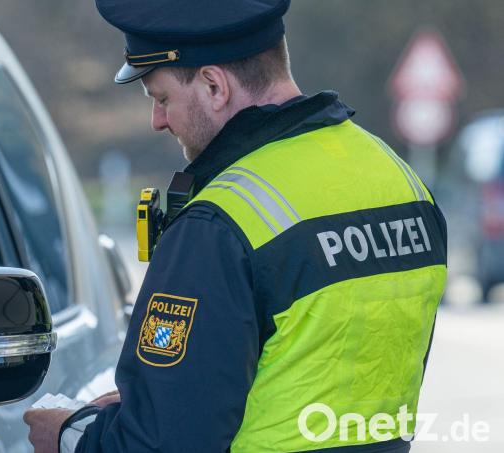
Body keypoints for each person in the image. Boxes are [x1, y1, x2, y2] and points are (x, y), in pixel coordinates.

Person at [24, 0, 447, 451]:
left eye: (162, 98)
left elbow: (162, 445)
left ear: (213, 85)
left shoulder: (219, 223)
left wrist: (68, 435)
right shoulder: (403, 183)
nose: (158, 120)